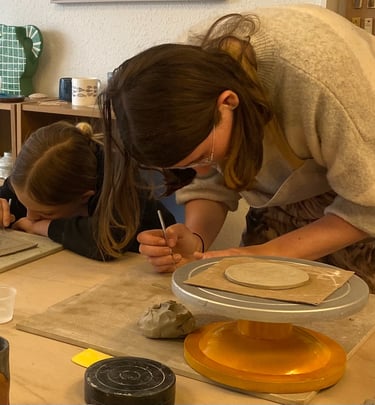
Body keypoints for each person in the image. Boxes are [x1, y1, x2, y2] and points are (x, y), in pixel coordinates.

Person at [96, 4, 375, 291]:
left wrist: (267, 253)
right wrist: (194, 241)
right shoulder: (182, 78)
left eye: (204, 156)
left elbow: (367, 205)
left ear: (228, 102)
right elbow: (208, 179)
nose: (202, 171)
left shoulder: (319, 75)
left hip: (366, 188)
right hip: (286, 196)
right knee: (252, 300)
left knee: (356, 315)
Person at [0, 121, 175, 260]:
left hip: (150, 269)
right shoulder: (30, 181)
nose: (29, 215)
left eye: (46, 213)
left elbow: (106, 242)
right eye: (25, 205)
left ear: (84, 198)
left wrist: (40, 226)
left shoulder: (119, 186)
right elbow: (8, 195)